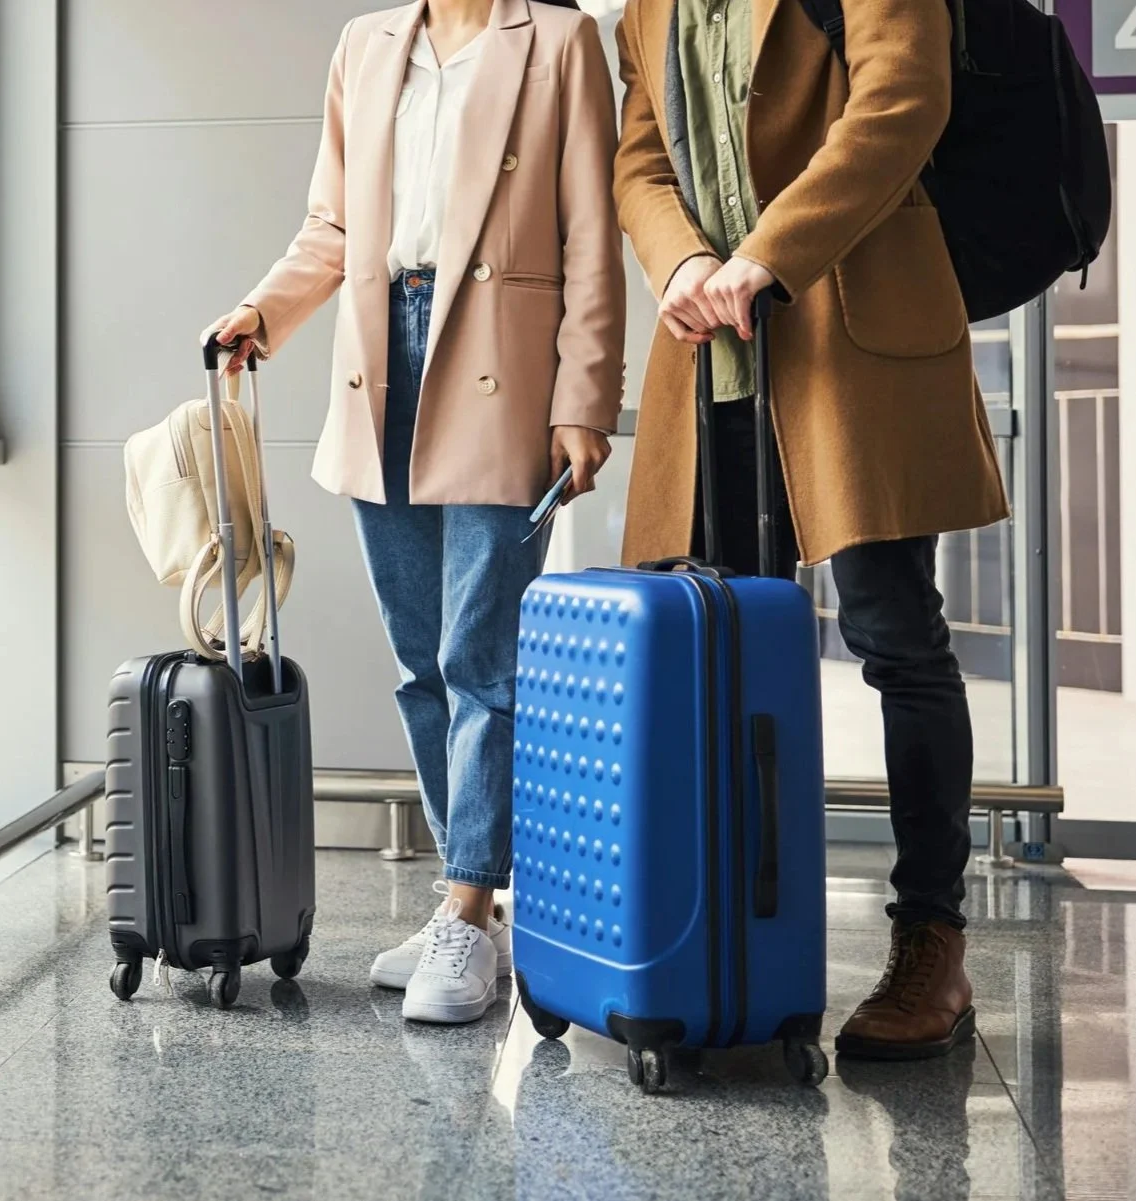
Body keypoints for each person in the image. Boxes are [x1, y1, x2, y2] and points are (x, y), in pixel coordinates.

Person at [205, 0, 624, 1025]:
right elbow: (334, 224)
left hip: (499, 356)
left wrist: (583, 399)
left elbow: (588, 236)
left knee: (479, 658)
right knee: (417, 658)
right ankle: (464, 901)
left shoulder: (561, 42)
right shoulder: (367, 43)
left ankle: (471, 906)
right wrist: (265, 311)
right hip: (377, 353)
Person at [613, 0, 1009, 1059]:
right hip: (715, 359)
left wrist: (770, 252)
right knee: (718, 655)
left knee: (895, 640)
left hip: (849, 331)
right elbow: (640, 151)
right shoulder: (649, 4)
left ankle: (932, 938)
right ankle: (733, 935)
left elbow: (901, 100)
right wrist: (682, 261)